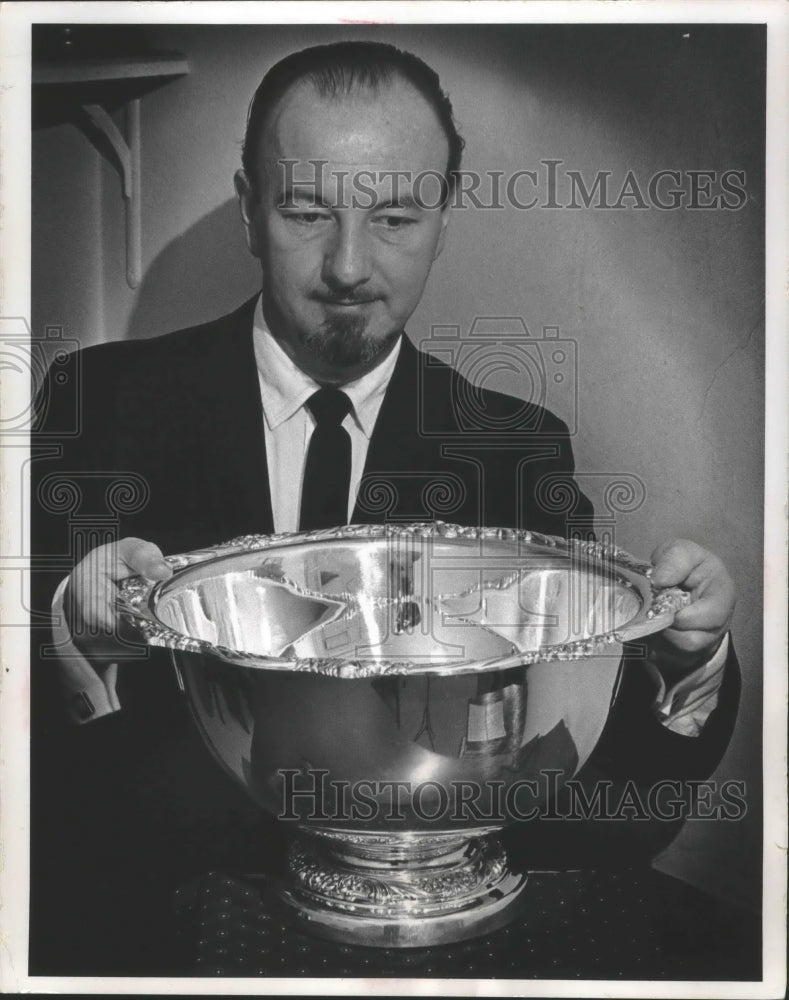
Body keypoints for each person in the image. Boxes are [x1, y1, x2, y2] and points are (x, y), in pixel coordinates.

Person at [30, 41, 739, 975]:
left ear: (444, 216)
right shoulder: (104, 400)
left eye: (396, 216)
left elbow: (580, 816)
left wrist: (686, 670)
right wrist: (76, 638)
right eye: (306, 210)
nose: (349, 267)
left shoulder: (512, 449)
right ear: (249, 206)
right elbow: (39, 783)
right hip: (167, 939)